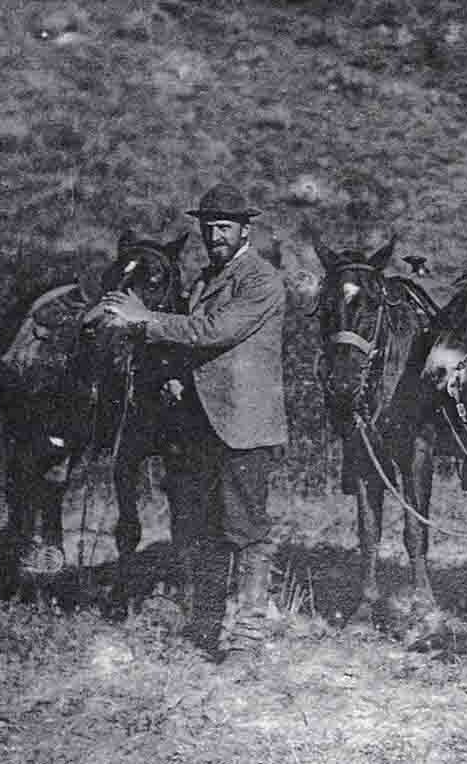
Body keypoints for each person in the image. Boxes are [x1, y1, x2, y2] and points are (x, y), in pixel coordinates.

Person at [97, 183, 289, 664]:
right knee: (204, 527)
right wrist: (179, 380)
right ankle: (205, 622)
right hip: (202, 423)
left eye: (224, 226)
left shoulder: (260, 280)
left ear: (246, 229)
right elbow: (195, 348)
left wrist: (144, 319)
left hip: (245, 425)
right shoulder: (207, 278)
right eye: (208, 226)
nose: (214, 234)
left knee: (247, 530)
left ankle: (246, 636)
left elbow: (212, 331)